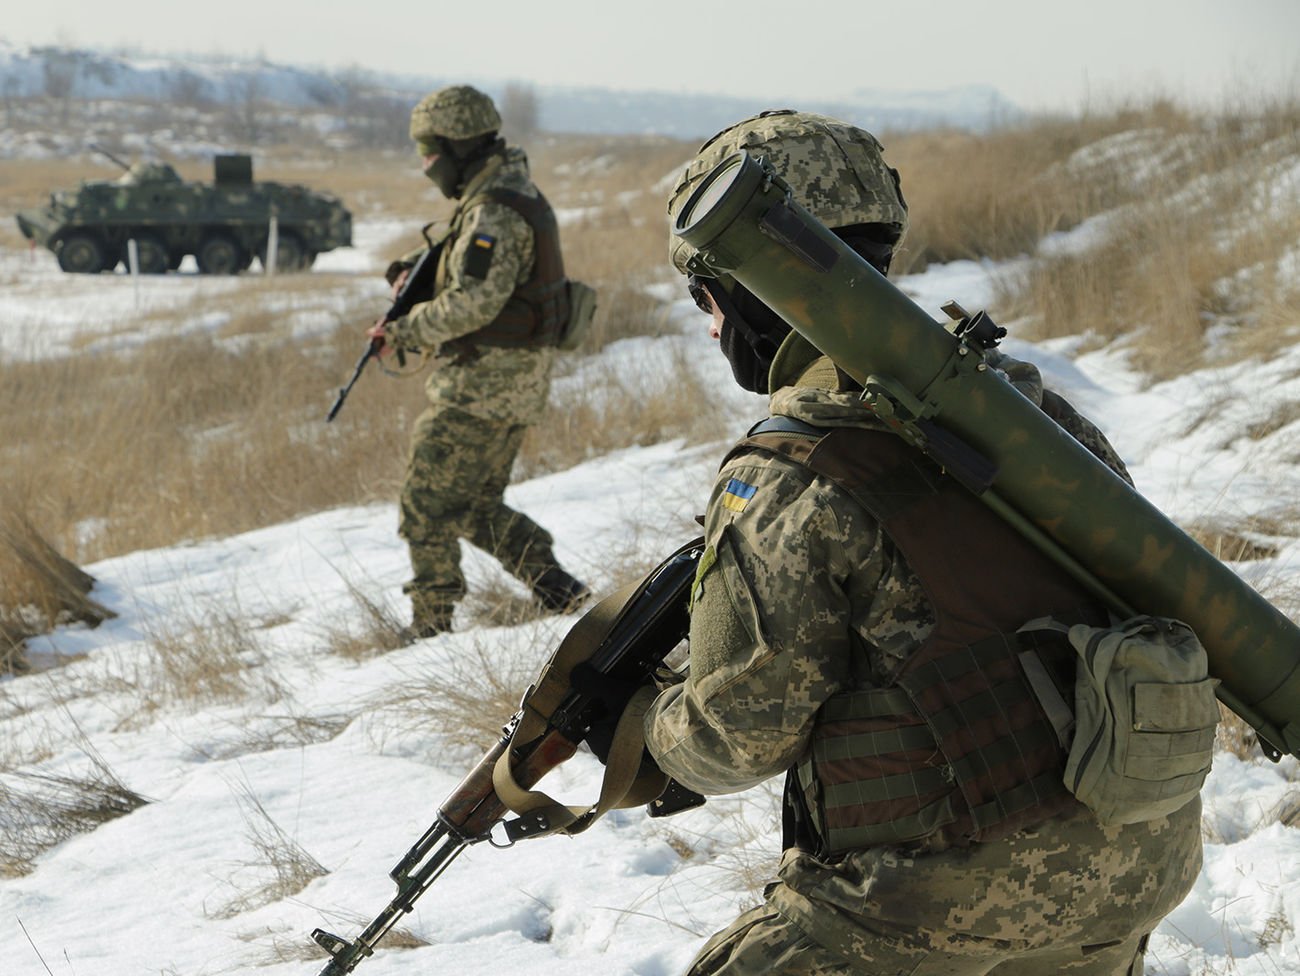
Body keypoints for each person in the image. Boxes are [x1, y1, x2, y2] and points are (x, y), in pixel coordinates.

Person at [641, 111, 1202, 975]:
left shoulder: (790, 471)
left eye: (707, 301)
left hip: (921, 909)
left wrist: (652, 724)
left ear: (742, 287)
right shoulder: (1037, 421)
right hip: (1134, 870)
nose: (713, 330)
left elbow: (735, 740)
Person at [367, 85, 588, 639]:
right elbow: (475, 274)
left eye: (429, 150)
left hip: (484, 386)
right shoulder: (504, 194)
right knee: (475, 506)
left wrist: (402, 330)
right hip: (509, 382)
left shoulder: (494, 209)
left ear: (458, 146)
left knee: (426, 503)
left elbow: (475, 301)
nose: (424, 165)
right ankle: (559, 589)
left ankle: (431, 627)